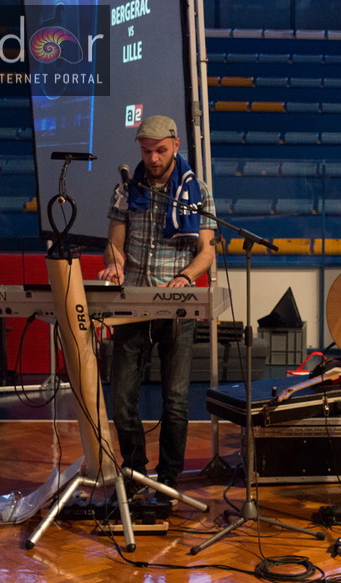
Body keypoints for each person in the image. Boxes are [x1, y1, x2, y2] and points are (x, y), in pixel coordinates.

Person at [97, 115, 216, 501]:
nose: (152, 158)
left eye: (160, 151)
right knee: (122, 397)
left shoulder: (197, 190)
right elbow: (115, 243)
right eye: (146, 151)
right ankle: (133, 473)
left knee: (176, 399)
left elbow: (207, 252)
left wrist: (184, 277)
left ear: (175, 146)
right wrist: (115, 263)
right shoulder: (126, 188)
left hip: (177, 307)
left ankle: (167, 480)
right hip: (132, 304)